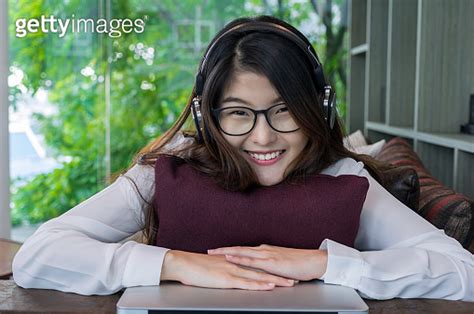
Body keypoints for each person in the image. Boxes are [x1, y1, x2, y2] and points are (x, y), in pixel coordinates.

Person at [12, 15, 473, 301]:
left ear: (318, 108)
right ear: (206, 115)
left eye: (284, 109)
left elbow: (464, 271)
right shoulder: (166, 171)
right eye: (237, 113)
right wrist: (174, 263)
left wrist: (327, 264)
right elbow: (37, 255)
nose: (263, 135)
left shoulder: (344, 178)